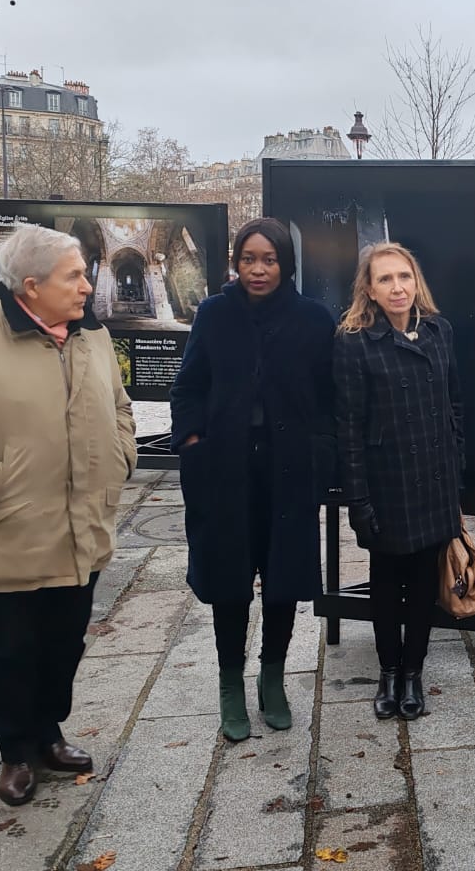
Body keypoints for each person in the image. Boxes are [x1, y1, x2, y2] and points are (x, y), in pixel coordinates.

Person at [0, 223, 135, 806]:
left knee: (64, 642)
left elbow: (119, 405)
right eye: (73, 275)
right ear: (30, 285)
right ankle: (16, 751)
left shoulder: (91, 335)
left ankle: (49, 733)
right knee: (11, 650)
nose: (86, 284)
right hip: (6, 532)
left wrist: (121, 454)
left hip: (81, 529)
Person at [170, 218, 335, 742]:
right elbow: (189, 386)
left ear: (285, 264)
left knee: (283, 576)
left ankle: (273, 677)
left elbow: (331, 395)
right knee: (229, 579)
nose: (258, 269)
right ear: (235, 263)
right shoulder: (215, 314)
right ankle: (228, 683)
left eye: (269, 260)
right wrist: (194, 441)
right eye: (248, 259)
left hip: (289, 470)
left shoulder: (312, 319)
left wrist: (321, 451)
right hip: (226, 469)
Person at [334, 242, 464, 722]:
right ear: (368, 288)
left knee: (425, 582)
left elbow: (456, 406)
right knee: (386, 584)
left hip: (433, 480)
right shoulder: (352, 341)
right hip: (386, 481)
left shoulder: (439, 331)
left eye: (404, 277)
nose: (397, 287)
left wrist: (456, 468)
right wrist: (358, 499)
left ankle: (413, 672)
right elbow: (347, 427)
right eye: (385, 279)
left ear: (417, 281)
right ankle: (388, 670)